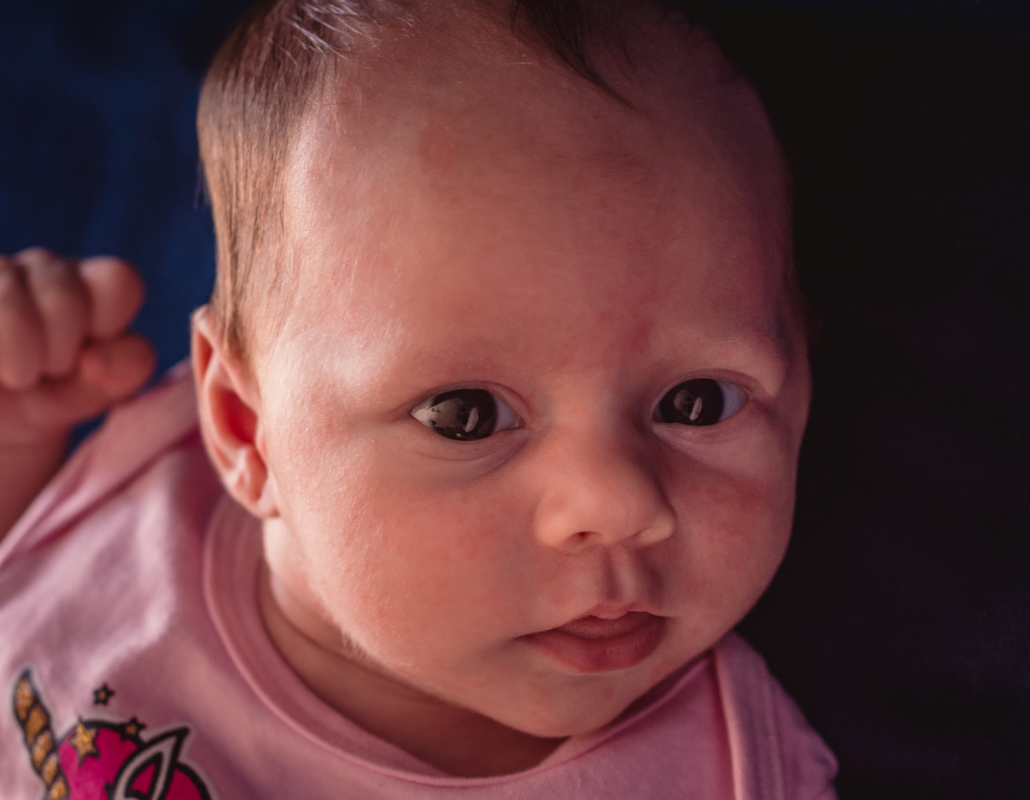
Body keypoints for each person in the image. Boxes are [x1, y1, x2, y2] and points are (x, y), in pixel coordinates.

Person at [0, 0, 838, 796]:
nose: (617, 502)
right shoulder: (154, 478)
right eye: (466, 415)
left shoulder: (727, 772)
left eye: (697, 402)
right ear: (247, 429)